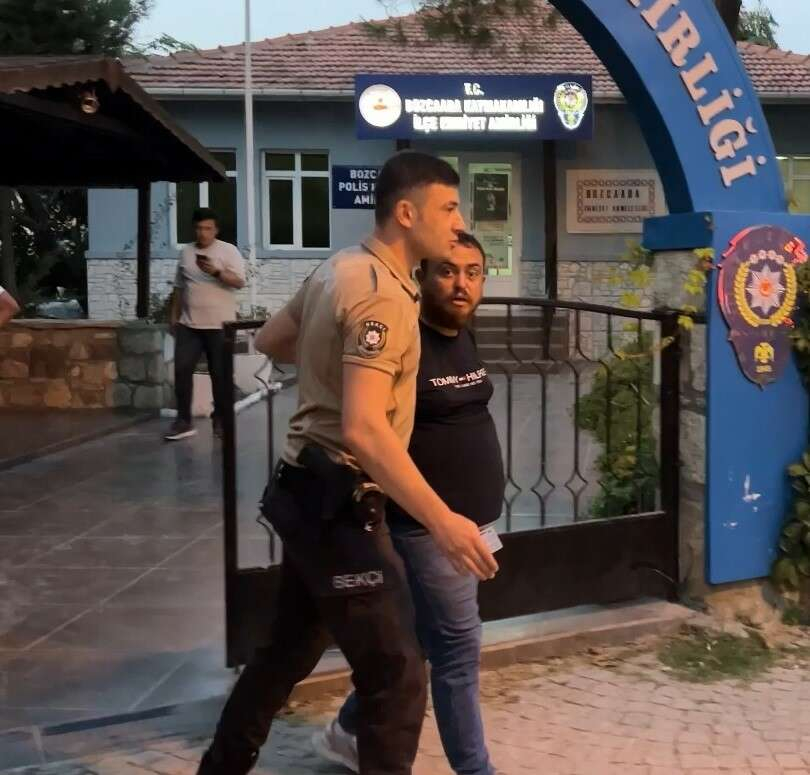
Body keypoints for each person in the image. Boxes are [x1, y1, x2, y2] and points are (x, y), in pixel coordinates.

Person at [196, 152, 499, 775]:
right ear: (407, 213)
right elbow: (363, 429)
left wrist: (335, 364)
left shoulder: (340, 267)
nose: (458, 221)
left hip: (305, 489)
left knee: (286, 651)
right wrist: (443, 521)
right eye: (448, 207)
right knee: (397, 674)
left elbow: (271, 339)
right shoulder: (382, 295)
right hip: (337, 502)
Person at [312, 232, 504, 775]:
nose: (462, 284)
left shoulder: (463, 334)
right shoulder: (403, 338)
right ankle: (475, 769)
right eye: (448, 271)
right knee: (457, 648)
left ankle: (348, 730)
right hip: (426, 526)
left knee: (420, 636)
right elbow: (370, 427)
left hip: (468, 523)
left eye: (473, 273)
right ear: (422, 277)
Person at [164, 207, 245, 442]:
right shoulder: (186, 252)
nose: (203, 233)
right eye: (199, 228)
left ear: (215, 230)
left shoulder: (228, 251)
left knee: (220, 375)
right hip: (189, 325)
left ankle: (219, 419)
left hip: (220, 326)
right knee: (181, 370)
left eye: (208, 228)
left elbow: (239, 282)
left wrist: (217, 272)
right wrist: (173, 316)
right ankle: (183, 421)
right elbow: (179, 287)